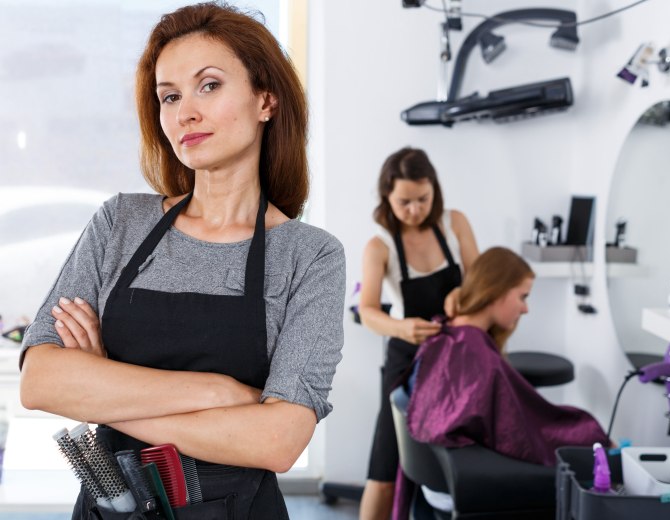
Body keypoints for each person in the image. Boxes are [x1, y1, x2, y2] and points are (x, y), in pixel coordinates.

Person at [18, 3, 345, 519]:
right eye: (169, 96)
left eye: (209, 85)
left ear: (266, 100)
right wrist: (217, 394)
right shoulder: (120, 223)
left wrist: (105, 387)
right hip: (110, 510)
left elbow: (279, 440)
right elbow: (41, 381)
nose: (183, 112)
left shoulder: (310, 255)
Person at [394, 247, 609, 518]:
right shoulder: (473, 353)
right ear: (497, 291)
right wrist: (590, 434)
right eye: (523, 296)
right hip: (454, 484)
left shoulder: (446, 333)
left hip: (432, 481)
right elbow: (515, 431)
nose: (526, 308)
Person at [358, 147, 479, 520]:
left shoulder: (454, 223)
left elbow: (480, 282)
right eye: (404, 202)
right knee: (386, 468)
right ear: (387, 198)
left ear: (434, 190)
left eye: (422, 199)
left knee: (454, 465)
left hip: (456, 358)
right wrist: (401, 328)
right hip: (405, 361)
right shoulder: (380, 246)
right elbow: (368, 311)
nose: (415, 210)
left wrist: (464, 292)